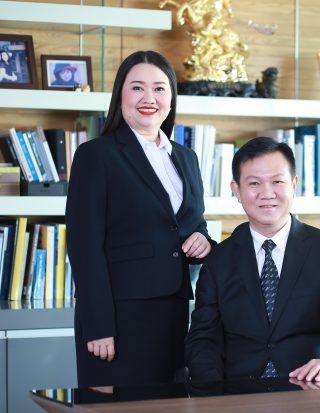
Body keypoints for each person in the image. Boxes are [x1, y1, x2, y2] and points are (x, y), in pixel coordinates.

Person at [66, 50, 215, 388]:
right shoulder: (96, 155)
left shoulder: (186, 158)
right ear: (120, 95)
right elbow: (84, 247)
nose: (149, 98)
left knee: (167, 407)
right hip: (118, 318)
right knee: (115, 408)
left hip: (175, 314)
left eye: (160, 89)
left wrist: (203, 241)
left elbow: (193, 224)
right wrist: (98, 325)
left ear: (171, 98)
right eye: (137, 88)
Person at [185, 137, 320, 383]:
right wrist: (213, 391)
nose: (267, 193)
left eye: (277, 181)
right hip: (239, 392)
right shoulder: (218, 259)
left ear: (294, 184)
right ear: (237, 191)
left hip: (312, 388)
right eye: (254, 183)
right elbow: (203, 339)